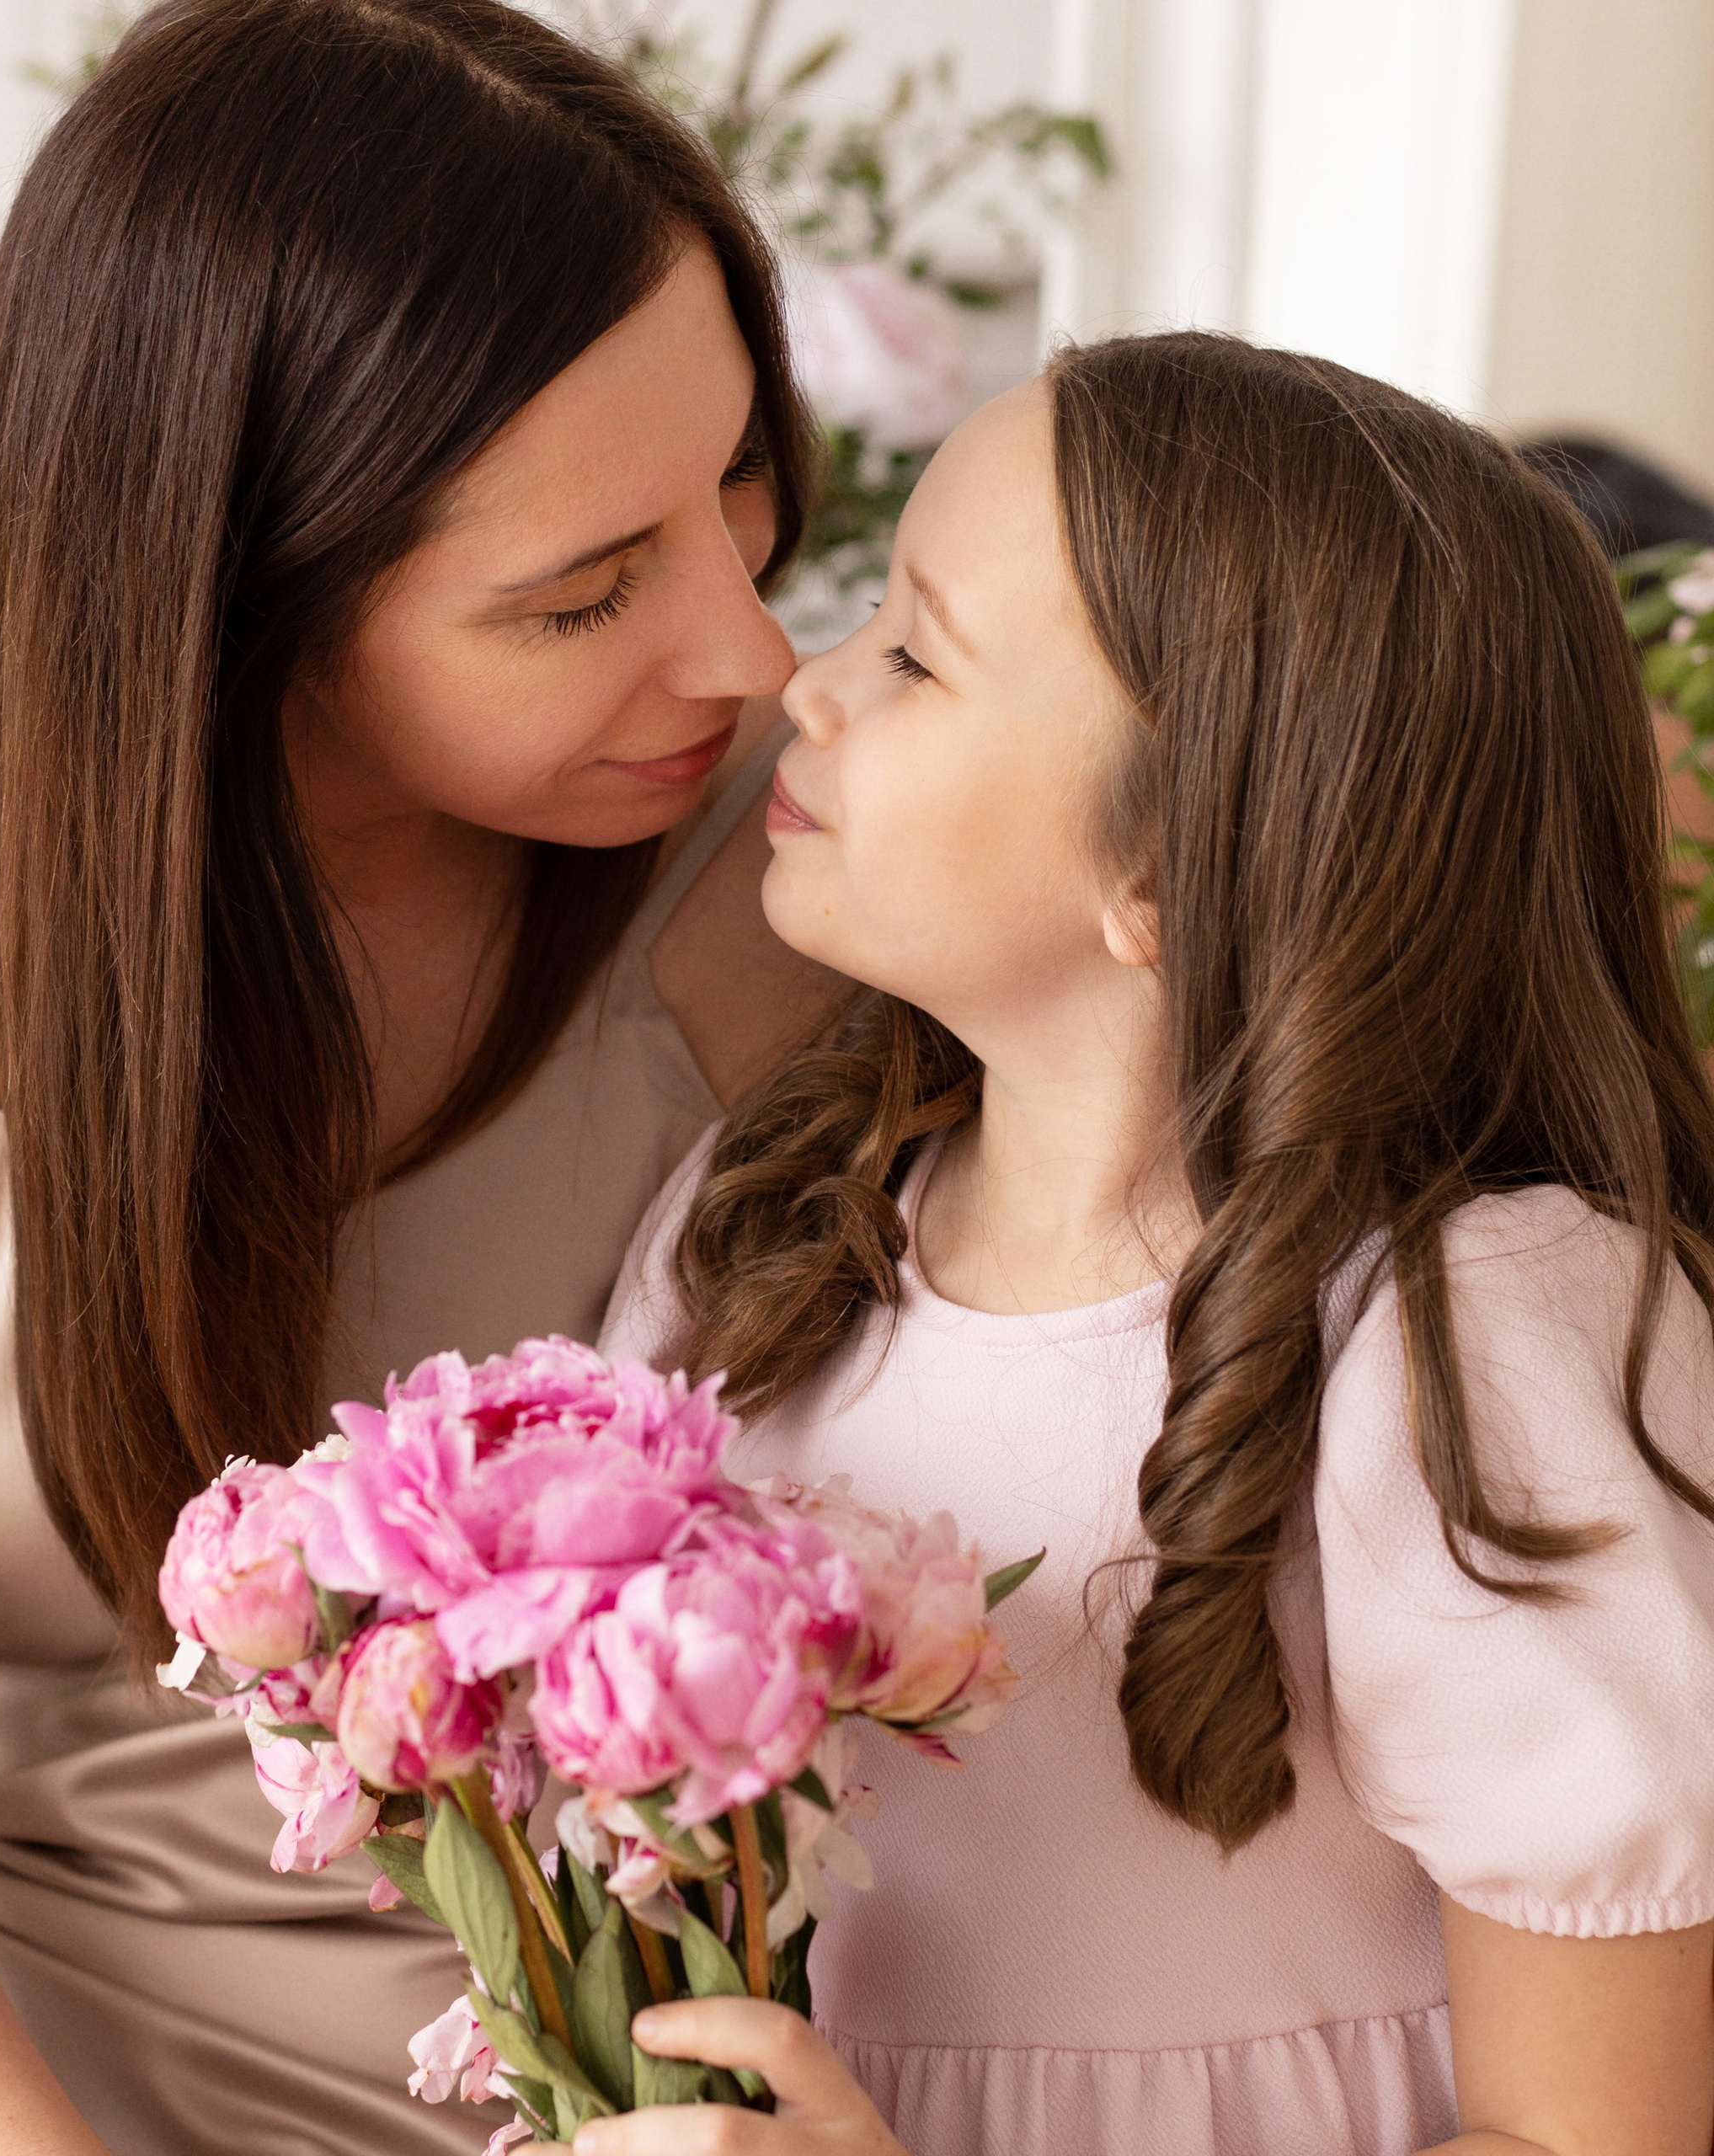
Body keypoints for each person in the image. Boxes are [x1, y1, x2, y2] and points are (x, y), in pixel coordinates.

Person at [0, 3, 840, 2153]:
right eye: (585, 592)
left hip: (599, 2073)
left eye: (735, 485)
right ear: (242, 592)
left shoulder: (788, 857)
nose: (745, 650)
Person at [593, 333, 1714, 2156]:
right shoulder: (771, 1213)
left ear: (1171, 867)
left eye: (912, 653)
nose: (804, 684)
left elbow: (1593, 2136)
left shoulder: (1467, 1333)